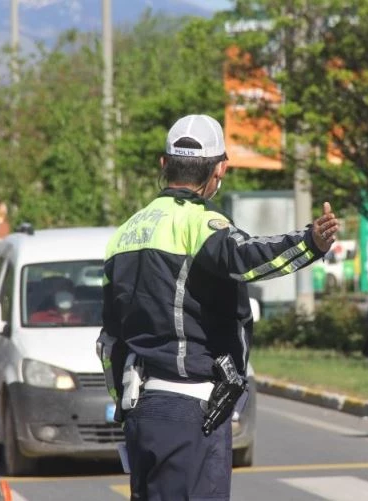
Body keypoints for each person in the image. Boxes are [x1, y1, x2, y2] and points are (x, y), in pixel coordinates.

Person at [98, 114, 338, 500]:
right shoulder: (200, 223)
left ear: (164, 164)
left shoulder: (124, 233)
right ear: (220, 168)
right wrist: (310, 243)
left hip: (141, 413)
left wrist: (126, 407)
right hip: (192, 411)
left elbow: (109, 341)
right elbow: (245, 258)